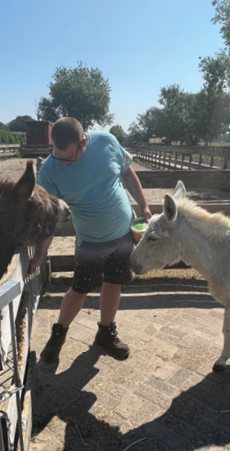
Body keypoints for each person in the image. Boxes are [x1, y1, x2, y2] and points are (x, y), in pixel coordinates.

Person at [28, 117, 151, 362]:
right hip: (90, 240)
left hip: (123, 233)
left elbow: (127, 173)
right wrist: (41, 253)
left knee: (114, 283)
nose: (64, 162)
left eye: (69, 158)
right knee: (80, 289)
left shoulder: (106, 142)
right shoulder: (51, 171)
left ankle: (106, 332)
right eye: (57, 155)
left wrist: (144, 205)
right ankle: (58, 334)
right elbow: (50, 216)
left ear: (83, 142)